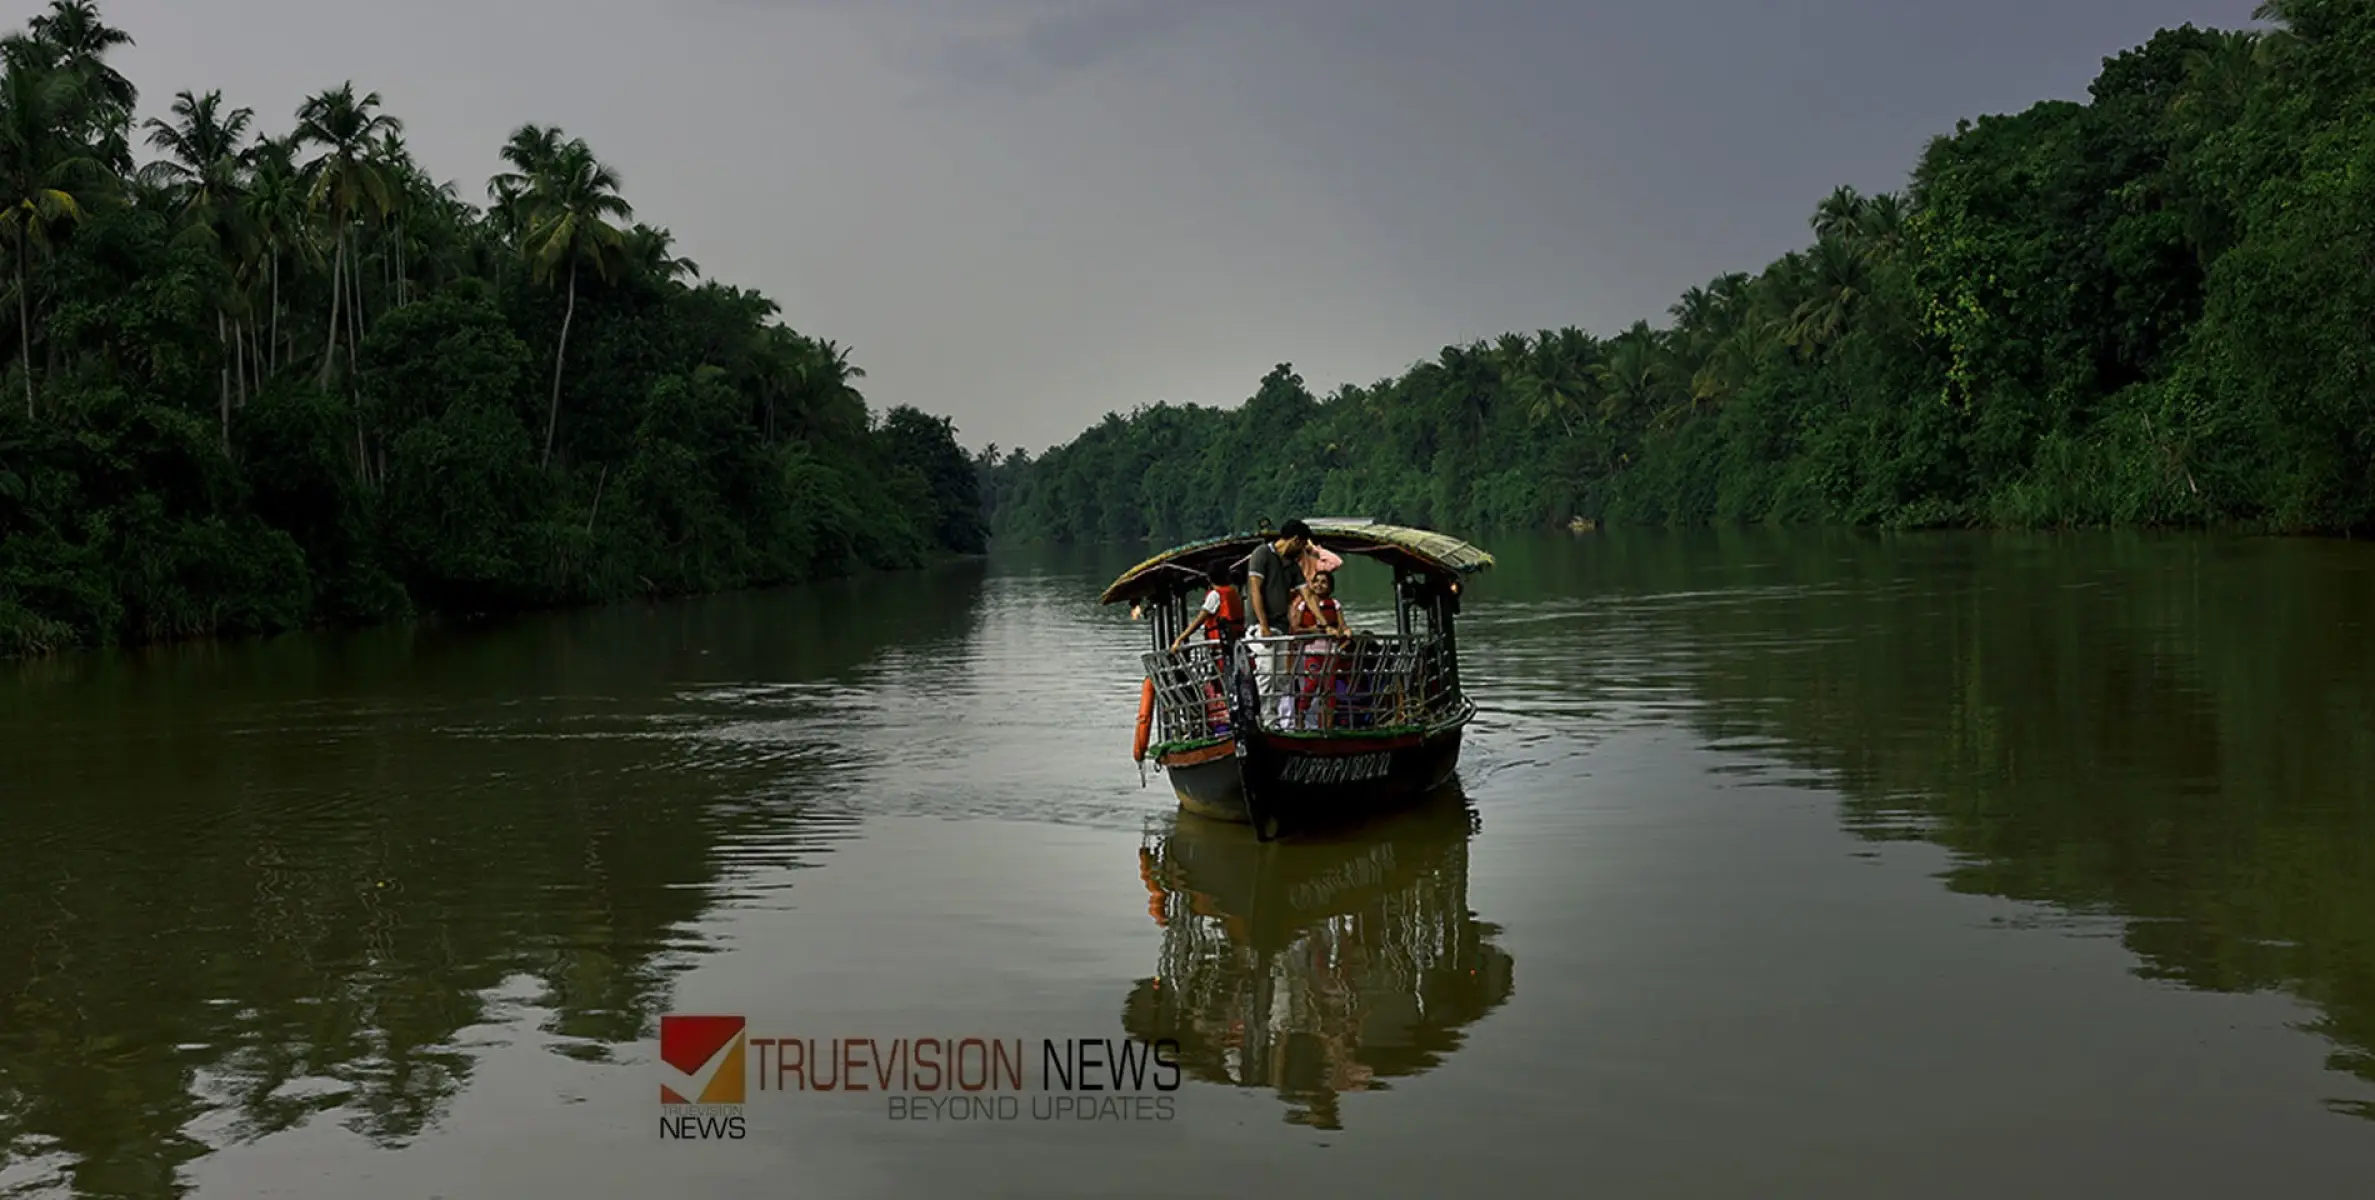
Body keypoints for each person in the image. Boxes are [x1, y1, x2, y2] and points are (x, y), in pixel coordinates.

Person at [1245, 519, 1312, 725]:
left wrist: (1326, 624)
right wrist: (1263, 626)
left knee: (1280, 677)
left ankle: (1273, 720)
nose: (1302, 551)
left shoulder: (1291, 565)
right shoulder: (1262, 554)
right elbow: (1255, 589)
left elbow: (1307, 595)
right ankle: (1262, 721)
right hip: (1261, 627)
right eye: (1302, 545)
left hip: (1281, 628)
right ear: (1295, 540)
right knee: (1266, 673)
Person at [1288, 569, 1351, 728]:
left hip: (1330, 653)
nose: (1319, 585)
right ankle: (1300, 718)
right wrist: (1313, 629)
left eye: (1323, 582)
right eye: (1316, 582)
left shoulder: (1335, 604)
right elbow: (1295, 628)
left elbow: (1342, 626)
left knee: (1329, 688)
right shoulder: (1304, 605)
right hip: (1312, 652)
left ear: (1330, 586)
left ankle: (1327, 726)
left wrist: (1346, 632)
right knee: (1311, 684)